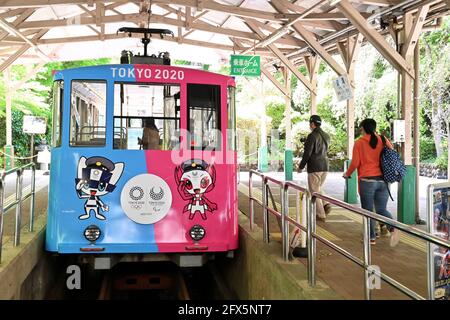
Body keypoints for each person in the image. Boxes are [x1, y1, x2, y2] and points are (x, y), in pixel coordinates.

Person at [343, 118, 400, 246]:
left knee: (367, 211)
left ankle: (371, 238)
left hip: (367, 181)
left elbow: (355, 163)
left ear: (363, 128)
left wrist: (347, 174)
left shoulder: (359, 143)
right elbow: (393, 155)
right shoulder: (383, 139)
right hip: (383, 181)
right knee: (381, 210)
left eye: (361, 128)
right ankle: (393, 227)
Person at [298, 115, 332, 221]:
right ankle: (326, 203)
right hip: (325, 165)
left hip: (315, 166)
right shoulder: (326, 135)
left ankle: (320, 214)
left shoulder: (312, 136)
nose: (309, 126)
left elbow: (307, 153)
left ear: (312, 124)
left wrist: (301, 166)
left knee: (314, 191)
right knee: (317, 187)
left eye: (310, 124)